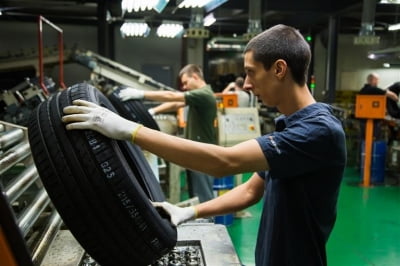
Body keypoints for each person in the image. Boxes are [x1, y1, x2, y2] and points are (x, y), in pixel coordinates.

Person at [62, 24, 346, 266]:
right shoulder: (291, 124)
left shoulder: (319, 131)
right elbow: (250, 190)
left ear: (279, 69)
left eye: (251, 72)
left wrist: (130, 130)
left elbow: (226, 162)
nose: (246, 84)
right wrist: (188, 211)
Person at [118, 64, 217, 203]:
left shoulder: (204, 94)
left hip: (203, 153)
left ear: (195, 76)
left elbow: (171, 96)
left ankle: (209, 223)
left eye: (185, 82)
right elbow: (176, 104)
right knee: (196, 194)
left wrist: (141, 94)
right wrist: (152, 112)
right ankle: (202, 222)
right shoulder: (199, 96)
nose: (184, 87)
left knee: (204, 196)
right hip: (197, 152)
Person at [358, 73, 399, 140]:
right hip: (373, 120)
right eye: (377, 80)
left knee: (364, 139)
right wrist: (397, 99)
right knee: (374, 140)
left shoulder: (363, 90)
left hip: (363, 120)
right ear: (373, 80)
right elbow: (392, 96)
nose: (378, 82)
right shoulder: (373, 89)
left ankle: (364, 150)